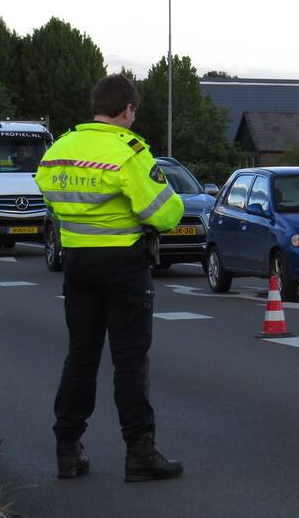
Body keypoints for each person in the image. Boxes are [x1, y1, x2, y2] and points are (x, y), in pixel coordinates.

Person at [35, 74, 185, 482]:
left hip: (77, 263)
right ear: (128, 110)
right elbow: (165, 213)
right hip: (123, 266)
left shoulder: (61, 147)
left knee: (81, 358)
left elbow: (46, 192)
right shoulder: (129, 151)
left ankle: (67, 449)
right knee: (129, 362)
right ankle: (140, 453)